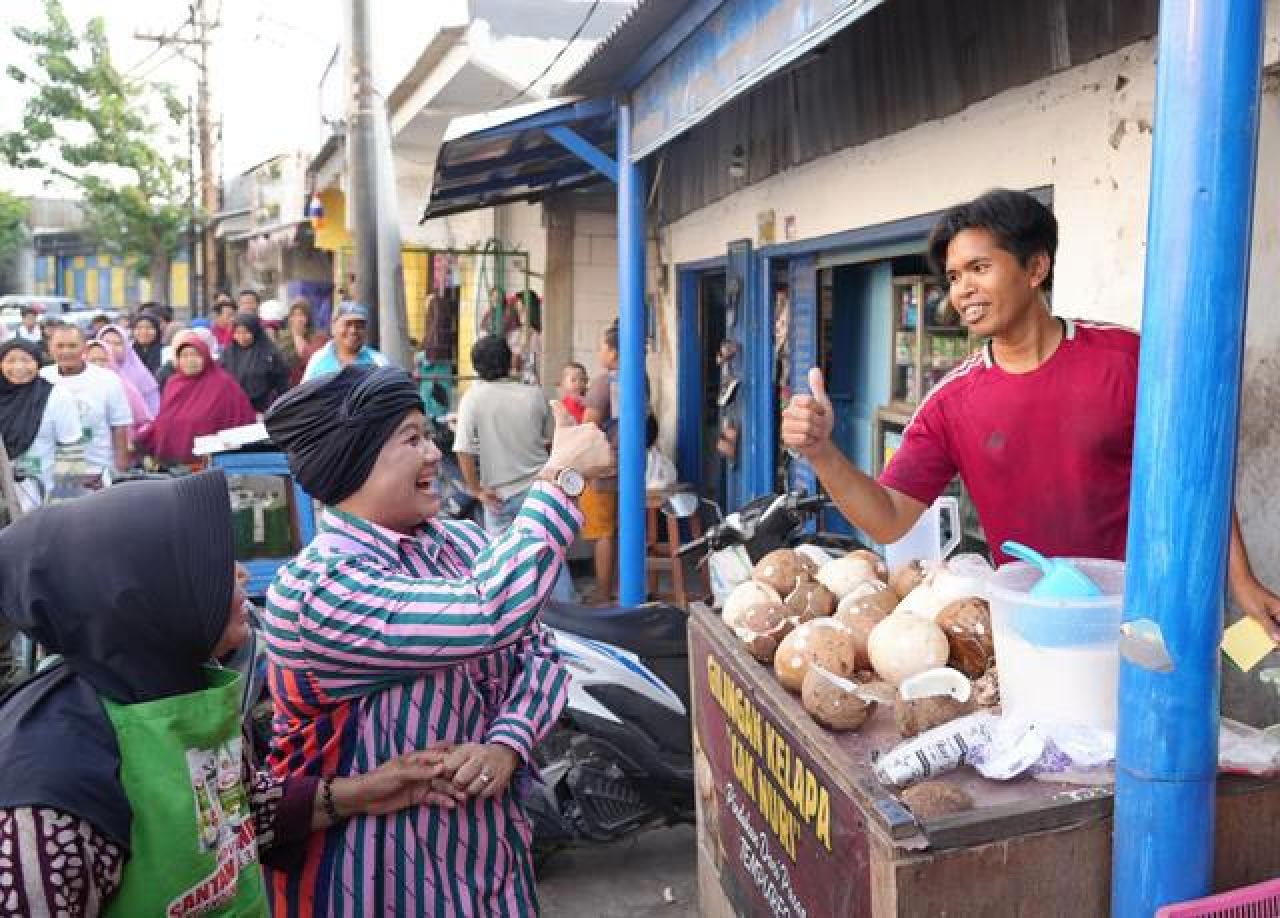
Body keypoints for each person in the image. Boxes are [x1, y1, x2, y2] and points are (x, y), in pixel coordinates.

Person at [780, 187, 1280, 634]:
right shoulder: (951, 403)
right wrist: (823, 454)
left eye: (979, 268)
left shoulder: (1128, 360)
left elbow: (1197, 472)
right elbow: (888, 519)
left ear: (1035, 268)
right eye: (953, 276)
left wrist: (1241, 581)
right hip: (1037, 627)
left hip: (1148, 616)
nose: (962, 290)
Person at [0, 470, 456, 916]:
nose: (240, 575)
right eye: (210, 567)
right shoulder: (50, 790)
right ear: (144, 591)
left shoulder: (176, 689)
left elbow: (236, 816)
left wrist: (367, 791)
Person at [260, 364, 611, 916]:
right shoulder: (316, 590)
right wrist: (561, 477)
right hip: (372, 884)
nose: (432, 454)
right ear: (355, 460)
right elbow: (488, 611)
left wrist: (507, 743)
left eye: (428, 435)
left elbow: (540, 653)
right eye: (411, 439)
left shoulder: (462, 542)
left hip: (489, 872)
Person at [456, 334, 578, 601]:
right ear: (509, 360)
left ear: (476, 366)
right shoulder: (534, 394)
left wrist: (476, 491)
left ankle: (510, 616)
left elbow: (463, 450)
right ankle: (569, 614)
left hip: (498, 496)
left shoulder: (472, 399)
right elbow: (553, 439)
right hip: (539, 489)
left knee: (501, 568)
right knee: (550, 554)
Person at [41, 324, 132, 481]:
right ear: (50, 348)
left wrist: (120, 472)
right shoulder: (42, 377)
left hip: (97, 471)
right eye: (60, 346)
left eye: (72, 346)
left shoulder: (108, 379)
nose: (66, 351)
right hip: (51, 472)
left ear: (84, 347)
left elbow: (119, 427)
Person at [0, 338, 81, 512]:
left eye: (26, 360)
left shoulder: (56, 396)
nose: (19, 367)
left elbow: (72, 450)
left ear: (38, 363)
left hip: (43, 498)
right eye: (10, 361)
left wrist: (64, 500)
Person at [581, 321, 621, 604]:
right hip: (629, 466)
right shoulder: (639, 377)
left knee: (603, 532)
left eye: (602, 348)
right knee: (618, 529)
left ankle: (603, 593)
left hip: (603, 468)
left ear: (613, 352)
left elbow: (588, 427)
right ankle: (617, 587)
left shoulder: (603, 382)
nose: (599, 353)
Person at [84, 339, 154, 445]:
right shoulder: (76, 387)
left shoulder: (125, 388)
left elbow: (146, 422)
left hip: (122, 448)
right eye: (93, 360)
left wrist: (133, 440)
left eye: (103, 360)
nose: (98, 365)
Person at [301, 301, 389, 381]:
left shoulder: (379, 362)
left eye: (359, 326)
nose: (353, 331)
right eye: (348, 324)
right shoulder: (318, 361)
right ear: (333, 327)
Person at [221, 313, 291, 413]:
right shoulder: (228, 353)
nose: (241, 337)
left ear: (255, 331)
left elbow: (282, 385)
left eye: (246, 332)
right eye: (237, 332)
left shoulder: (270, 354)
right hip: (234, 408)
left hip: (263, 409)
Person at [97, 323, 161, 415]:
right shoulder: (89, 371)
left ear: (126, 347)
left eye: (117, 344)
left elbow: (154, 409)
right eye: (106, 343)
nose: (110, 347)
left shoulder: (140, 374)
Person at [277, 298, 328, 387]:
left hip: (310, 384)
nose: (298, 319)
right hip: (288, 385)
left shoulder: (318, 337)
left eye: (301, 315)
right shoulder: (283, 338)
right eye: (294, 315)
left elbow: (309, 359)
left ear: (308, 318)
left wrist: (297, 335)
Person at [130, 311, 165, 377]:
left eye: (149, 327)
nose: (144, 332)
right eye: (139, 328)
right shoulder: (128, 352)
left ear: (157, 330)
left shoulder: (165, 351)